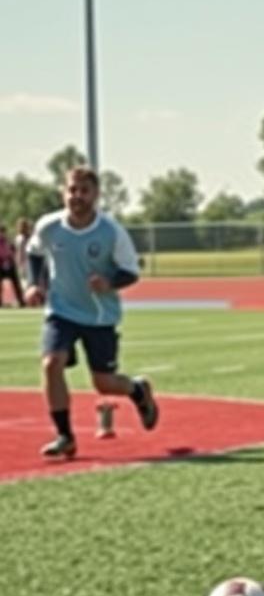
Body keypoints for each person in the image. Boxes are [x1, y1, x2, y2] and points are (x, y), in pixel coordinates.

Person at [23, 166, 159, 459]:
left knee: (104, 384)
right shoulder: (49, 226)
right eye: (72, 190)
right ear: (64, 192)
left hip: (99, 317)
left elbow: (131, 272)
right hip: (60, 311)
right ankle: (65, 436)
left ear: (96, 195)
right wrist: (34, 284)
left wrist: (110, 283)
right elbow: (34, 252)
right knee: (51, 364)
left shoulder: (111, 231)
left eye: (85, 191)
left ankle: (138, 391)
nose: (77, 196)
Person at [0, 222, 26, 307]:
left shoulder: (8, 241)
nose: (2, 234)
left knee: (16, 284)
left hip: (10, 264)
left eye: (3, 231)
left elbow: (13, 252)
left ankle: (21, 302)